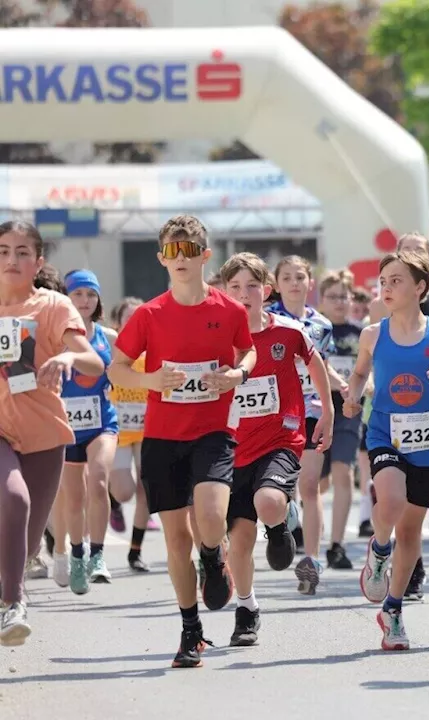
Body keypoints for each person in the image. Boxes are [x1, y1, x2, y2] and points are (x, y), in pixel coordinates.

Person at [108, 214, 256, 668]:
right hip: (162, 438)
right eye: (172, 251)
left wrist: (237, 372)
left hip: (212, 431)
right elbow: (117, 368)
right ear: (161, 258)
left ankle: (213, 558)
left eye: (189, 250)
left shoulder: (228, 310)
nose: (180, 259)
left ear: (204, 255)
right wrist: (151, 379)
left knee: (211, 518)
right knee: (175, 540)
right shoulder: (150, 314)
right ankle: (190, 630)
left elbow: (246, 349)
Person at [346, 249, 429, 651]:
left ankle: (393, 610)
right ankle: (379, 548)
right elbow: (361, 371)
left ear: (420, 287)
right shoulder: (373, 333)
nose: (386, 287)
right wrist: (351, 396)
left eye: (396, 280)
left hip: (426, 440)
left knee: (412, 531)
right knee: (392, 499)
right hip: (384, 430)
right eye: (383, 281)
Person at [0, 221, 105, 647]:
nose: (12, 260)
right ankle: (15, 604)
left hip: (44, 432)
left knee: (23, 550)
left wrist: (64, 356)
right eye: (3, 250)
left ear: (38, 261)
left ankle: (8, 586)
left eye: (22, 252)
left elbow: (93, 362)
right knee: (14, 498)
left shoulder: (53, 306)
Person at [221, 252, 332, 646]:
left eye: (252, 285)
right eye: (234, 287)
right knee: (239, 540)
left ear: (267, 291)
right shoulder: (217, 337)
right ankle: (247, 609)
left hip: (281, 438)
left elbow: (315, 363)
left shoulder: (288, 331)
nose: (244, 293)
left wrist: (329, 412)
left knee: (269, 501)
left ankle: (279, 522)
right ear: (223, 292)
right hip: (232, 448)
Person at [268, 256, 340, 595]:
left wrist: (351, 389)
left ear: (310, 283)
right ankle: (286, 516)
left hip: (311, 411)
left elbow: (323, 368)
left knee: (310, 485)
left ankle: (311, 560)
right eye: (287, 277)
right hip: (276, 412)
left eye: (300, 277)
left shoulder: (322, 325)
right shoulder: (268, 319)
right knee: (283, 489)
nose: (295, 283)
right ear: (277, 284)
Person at [54, 269, 119, 593]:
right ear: (66, 298)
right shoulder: (54, 336)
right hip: (65, 428)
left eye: (90, 294)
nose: (85, 300)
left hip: (102, 423)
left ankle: (97, 555)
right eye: (78, 294)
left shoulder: (108, 337)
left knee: (99, 480)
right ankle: (75, 554)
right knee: (74, 497)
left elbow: (129, 367)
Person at [316, 270, 361, 571]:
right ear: (321, 300)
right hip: (316, 410)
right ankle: (309, 535)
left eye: (344, 296)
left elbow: (370, 370)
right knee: (316, 483)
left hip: (348, 411)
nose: (340, 302)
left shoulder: (361, 333)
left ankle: (337, 545)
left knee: (343, 473)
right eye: (333, 297)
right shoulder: (315, 330)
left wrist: (362, 387)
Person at [105, 297, 154, 573]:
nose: (135, 322)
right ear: (118, 323)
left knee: (145, 490)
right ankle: (114, 503)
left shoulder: (156, 348)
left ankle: (135, 552)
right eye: (128, 317)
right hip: (119, 430)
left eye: (140, 316)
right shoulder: (113, 350)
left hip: (147, 429)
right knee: (124, 492)